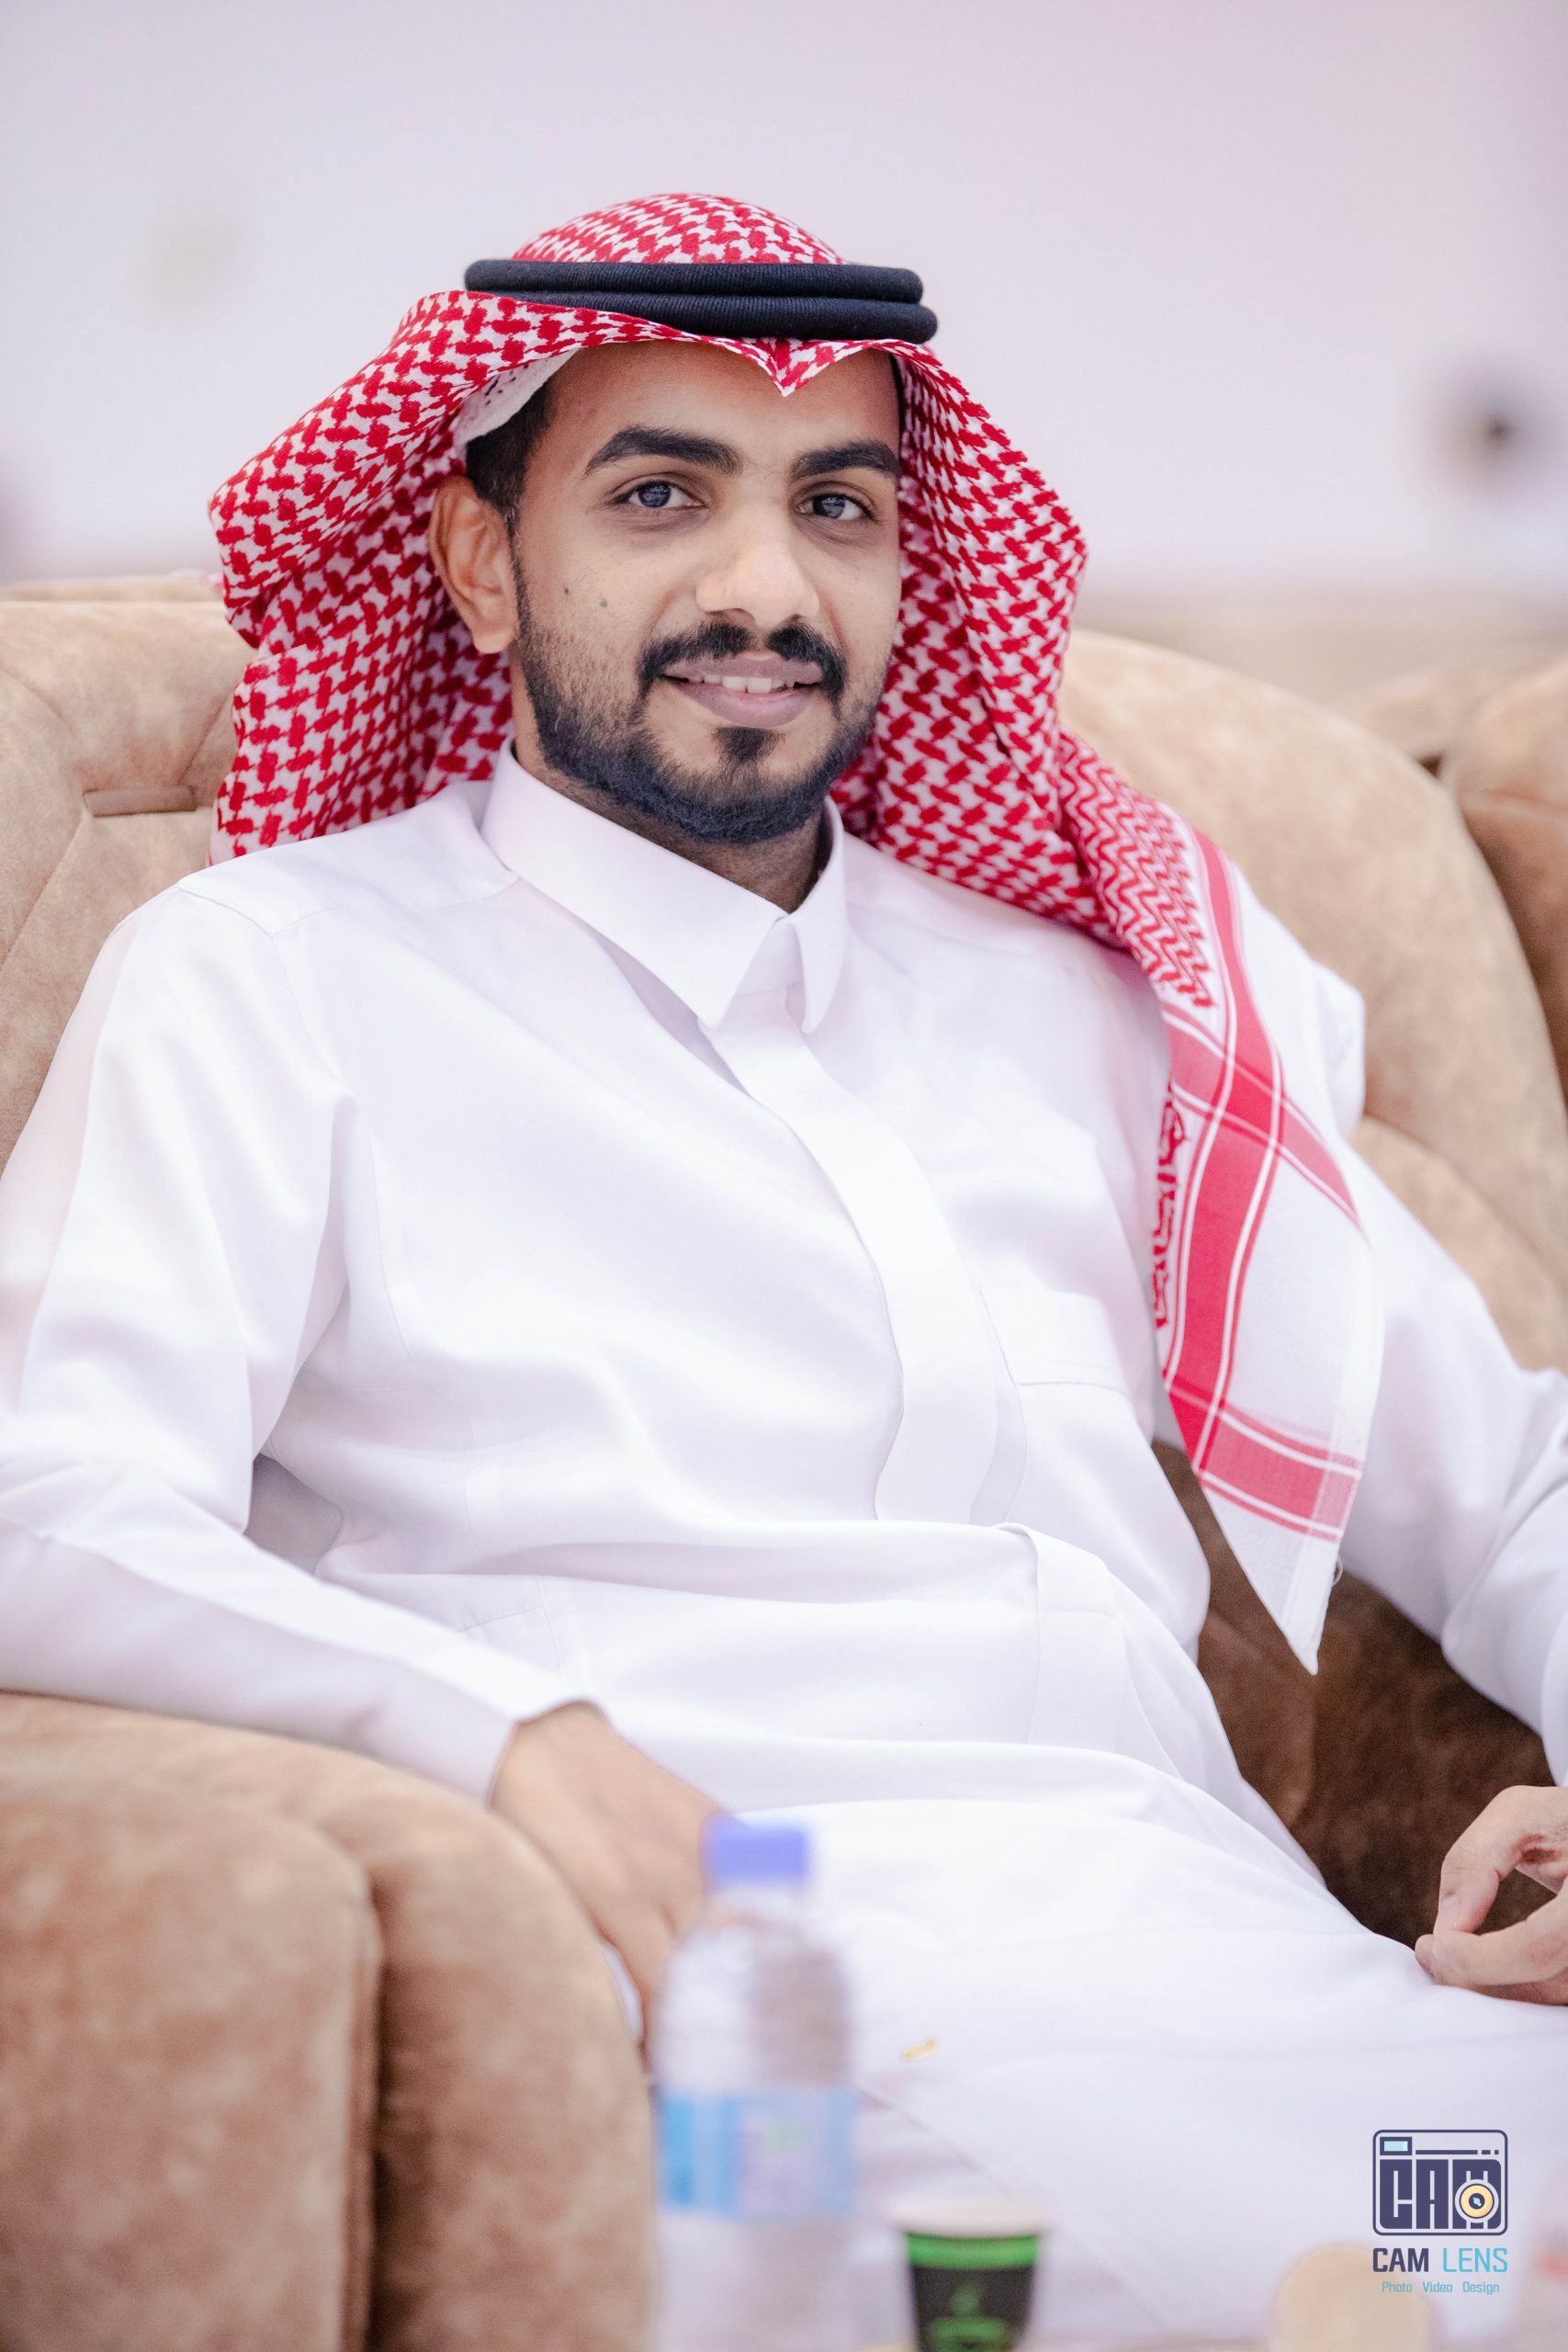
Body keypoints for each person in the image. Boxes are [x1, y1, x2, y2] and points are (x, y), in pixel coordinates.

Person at [0, 192, 1565, 2342]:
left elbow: (1511, 1475)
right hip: (775, 2027)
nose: (763, 585)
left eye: (835, 503)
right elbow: (53, 1503)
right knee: (1376, 2295)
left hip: (1257, 1982)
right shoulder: (272, 982)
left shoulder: (1089, 1011)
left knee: (1476, 2246)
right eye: (659, 494)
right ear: (476, 559)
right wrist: (510, 1732)